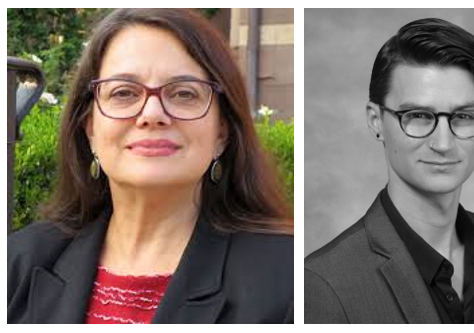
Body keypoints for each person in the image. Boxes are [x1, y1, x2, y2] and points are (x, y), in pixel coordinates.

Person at [8, 9, 293, 324]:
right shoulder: (18, 262)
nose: (152, 113)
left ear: (221, 134)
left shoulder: (289, 282)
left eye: (184, 93)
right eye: (124, 93)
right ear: (90, 129)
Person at [304, 18, 474, 324]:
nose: (443, 143)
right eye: (418, 115)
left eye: (463, 116)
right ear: (376, 120)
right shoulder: (323, 286)